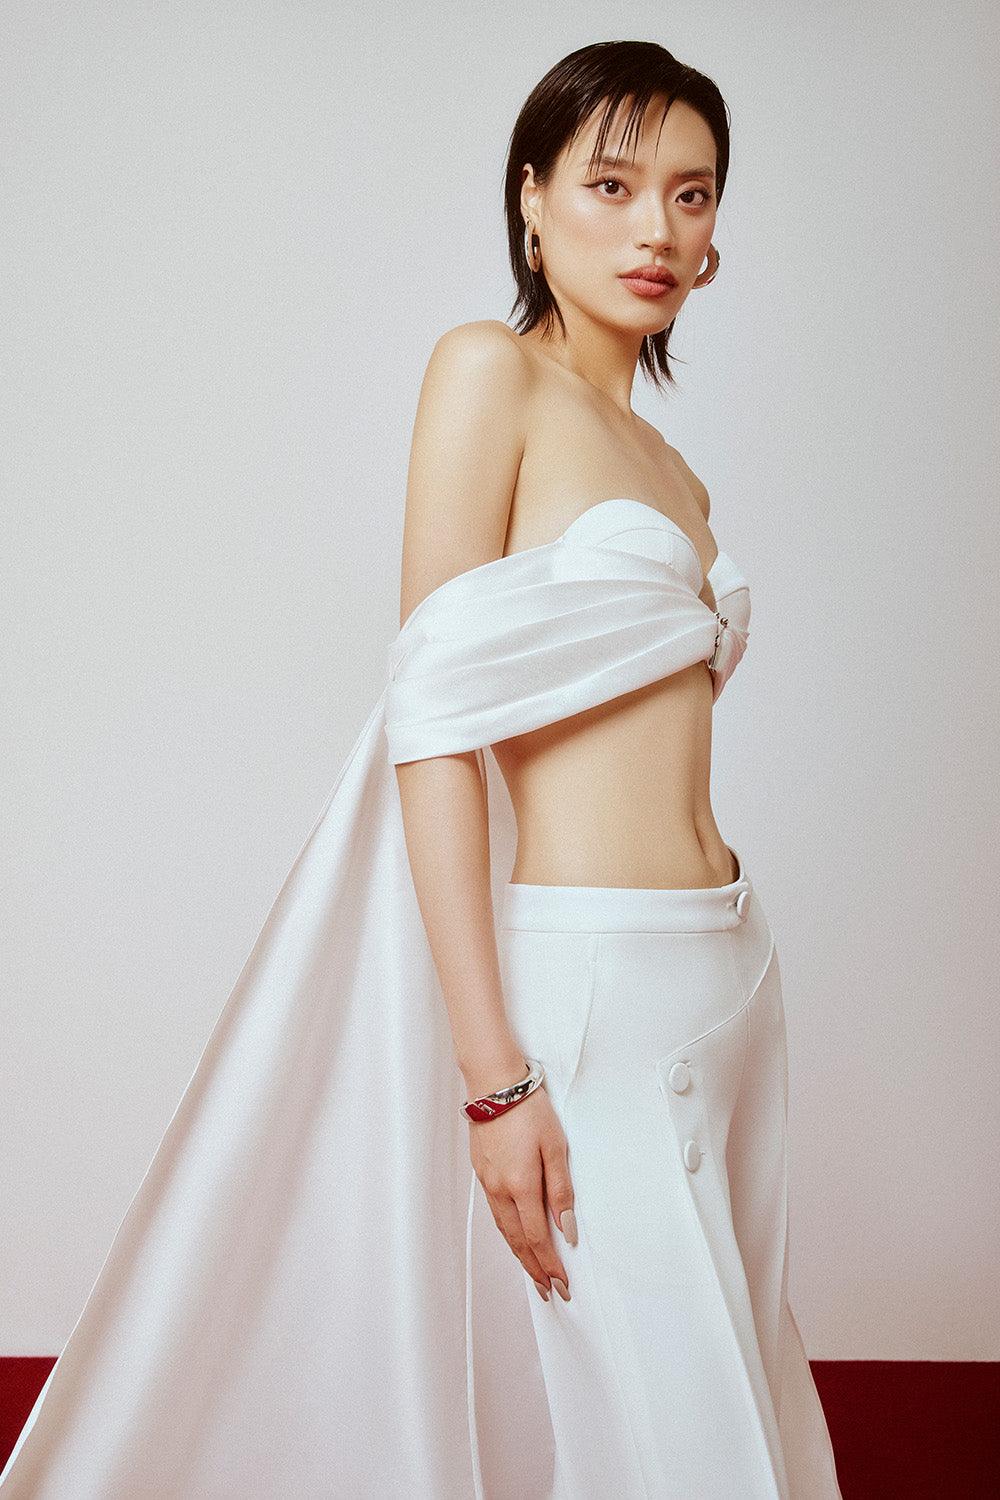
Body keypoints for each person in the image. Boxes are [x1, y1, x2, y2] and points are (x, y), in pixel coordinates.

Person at [0, 40, 843, 1500]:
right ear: (532, 200)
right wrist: (493, 1080)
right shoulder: (487, 374)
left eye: (692, 194)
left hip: (731, 978)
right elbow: (432, 727)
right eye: (613, 183)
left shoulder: (679, 477)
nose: (657, 226)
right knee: (679, 1452)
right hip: (591, 990)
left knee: (746, 1417)